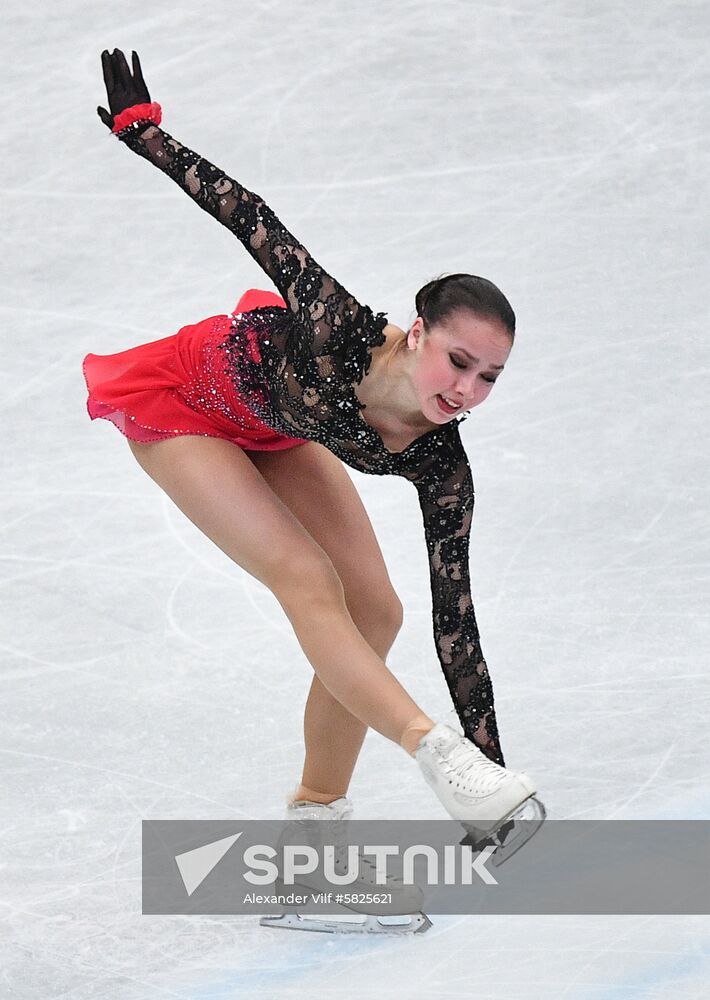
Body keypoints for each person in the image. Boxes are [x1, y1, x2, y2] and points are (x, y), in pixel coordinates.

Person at [86, 51, 544, 907]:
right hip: (185, 403)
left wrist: (497, 774)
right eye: (458, 360)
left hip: (272, 429)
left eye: (489, 378)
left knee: (380, 609)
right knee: (305, 578)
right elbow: (247, 215)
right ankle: (427, 752)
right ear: (416, 334)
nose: (467, 390)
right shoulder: (334, 325)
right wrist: (144, 135)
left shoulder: (441, 461)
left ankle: (313, 828)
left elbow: (458, 622)